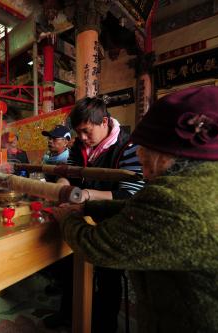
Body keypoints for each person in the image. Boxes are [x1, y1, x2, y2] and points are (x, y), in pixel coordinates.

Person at [52, 86, 218, 332]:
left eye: (146, 146)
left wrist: (68, 217)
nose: (139, 154)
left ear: (170, 152)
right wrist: (89, 206)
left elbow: (96, 245)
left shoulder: (177, 200)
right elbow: (138, 208)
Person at [45, 97, 144, 332]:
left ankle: (103, 326)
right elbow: (70, 174)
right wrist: (63, 183)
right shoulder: (80, 146)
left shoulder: (128, 147)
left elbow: (129, 194)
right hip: (82, 212)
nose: (82, 138)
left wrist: (88, 194)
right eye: (78, 133)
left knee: (108, 278)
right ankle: (69, 314)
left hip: (113, 221)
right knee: (71, 265)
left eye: (86, 132)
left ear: (105, 122)